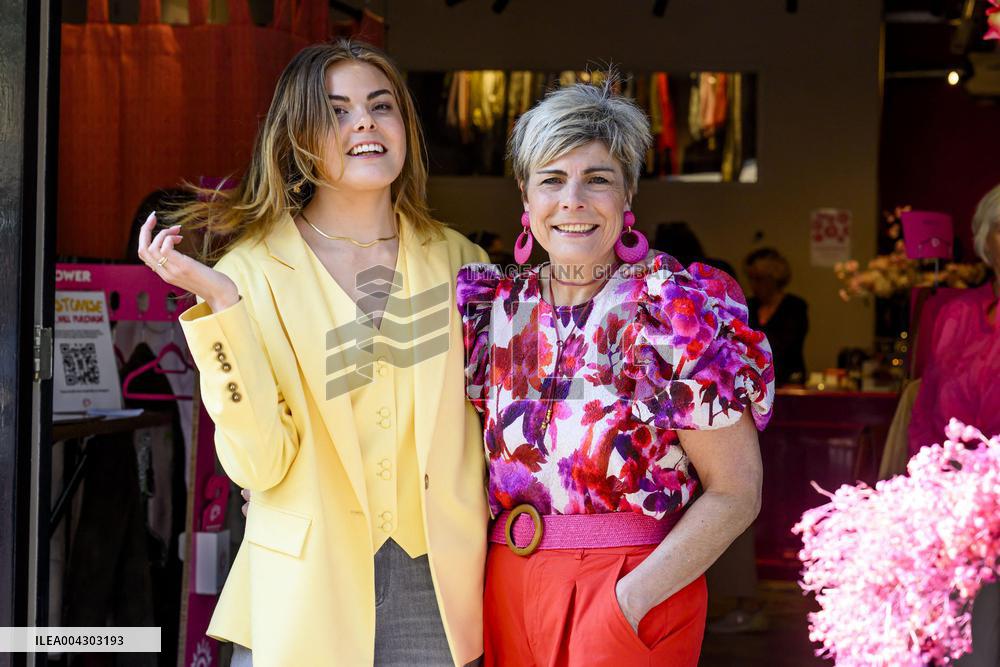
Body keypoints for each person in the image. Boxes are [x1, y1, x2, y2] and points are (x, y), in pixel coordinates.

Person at [137, 40, 488, 666]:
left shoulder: (461, 262)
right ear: (297, 136)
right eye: (337, 111)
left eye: (381, 106)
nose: (364, 123)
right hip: (304, 582)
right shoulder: (251, 271)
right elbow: (262, 465)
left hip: (437, 578)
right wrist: (222, 306)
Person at [457, 80, 774, 666]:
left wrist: (629, 600)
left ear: (627, 194)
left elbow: (736, 491)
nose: (573, 199)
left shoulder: (675, 311)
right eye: (551, 179)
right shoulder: (489, 311)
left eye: (597, 178)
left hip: (632, 586)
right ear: (525, 198)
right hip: (503, 584)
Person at [909, 184, 1000, 667]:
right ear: (987, 240)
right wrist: (924, 487)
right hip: (959, 505)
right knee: (968, 642)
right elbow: (926, 411)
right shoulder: (953, 313)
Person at [744, 247, 808, 386]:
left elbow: (785, 346)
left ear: (774, 278)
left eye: (759, 279)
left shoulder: (795, 306)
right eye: (751, 278)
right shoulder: (748, 306)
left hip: (787, 383)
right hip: (752, 385)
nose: (753, 285)